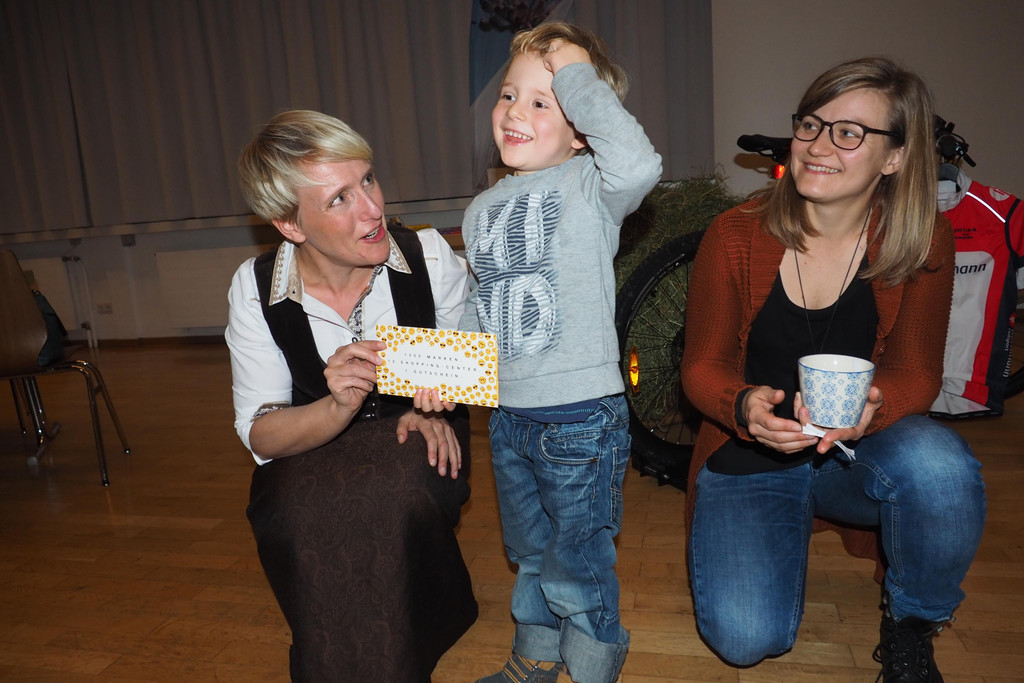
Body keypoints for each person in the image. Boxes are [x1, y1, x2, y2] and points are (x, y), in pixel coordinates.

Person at [680, 57, 986, 682]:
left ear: (894, 157)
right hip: (752, 455)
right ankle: (776, 523)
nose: (818, 146)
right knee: (746, 640)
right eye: (811, 125)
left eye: (849, 133)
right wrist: (743, 407)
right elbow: (701, 366)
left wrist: (876, 406)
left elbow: (918, 371)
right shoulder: (735, 234)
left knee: (942, 469)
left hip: (854, 453)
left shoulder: (921, 238)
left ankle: (912, 625)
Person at [225, 110, 477, 681]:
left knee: (394, 491)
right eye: (339, 198)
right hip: (309, 438)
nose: (372, 208)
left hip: (423, 432)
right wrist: (335, 405)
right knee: (295, 512)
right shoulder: (256, 288)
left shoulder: (428, 258)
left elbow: (472, 367)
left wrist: (432, 404)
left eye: (368, 180)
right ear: (290, 225)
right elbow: (261, 432)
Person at [460, 22, 662, 683]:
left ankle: (596, 668)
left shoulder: (592, 185)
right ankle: (536, 658)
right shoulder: (481, 209)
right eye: (508, 94)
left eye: (542, 101)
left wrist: (575, 71)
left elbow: (639, 162)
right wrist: (449, 371)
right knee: (531, 554)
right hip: (509, 417)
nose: (514, 111)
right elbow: (482, 302)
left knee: (576, 562)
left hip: (579, 418)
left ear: (580, 127)